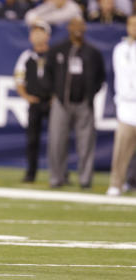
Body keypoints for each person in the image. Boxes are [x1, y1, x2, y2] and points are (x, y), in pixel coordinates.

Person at [45, 17, 105, 189]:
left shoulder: (92, 52)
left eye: (81, 25)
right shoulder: (59, 50)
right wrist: (54, 94)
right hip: (61, 102)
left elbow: (100, 77)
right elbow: (48, 73)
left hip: (84, 104)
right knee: (56, 141)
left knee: (86, 143)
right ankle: (57, 177)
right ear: (69, 28)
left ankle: (85, 179)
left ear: (85, 28)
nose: (78, 28)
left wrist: (90, 95)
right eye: (75, 25)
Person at [14, 20, 51, 183]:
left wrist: (55, 98)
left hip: (52, 103)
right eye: (34, 32)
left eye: (40, 32)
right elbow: (19, 79)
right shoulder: (26, 56)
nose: (37, 35)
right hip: (34, 103)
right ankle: (31, 173)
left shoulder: (54, 54)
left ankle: (59, 174)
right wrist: (26, 97)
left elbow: (61, 78)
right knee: (32, 140)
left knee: (57, 140)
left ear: (47, 35)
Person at [106, 15, 136, 196]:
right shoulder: (120, 49)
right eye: (131, 24)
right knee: (121, 149)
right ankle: (116, 183)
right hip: (126, 106)